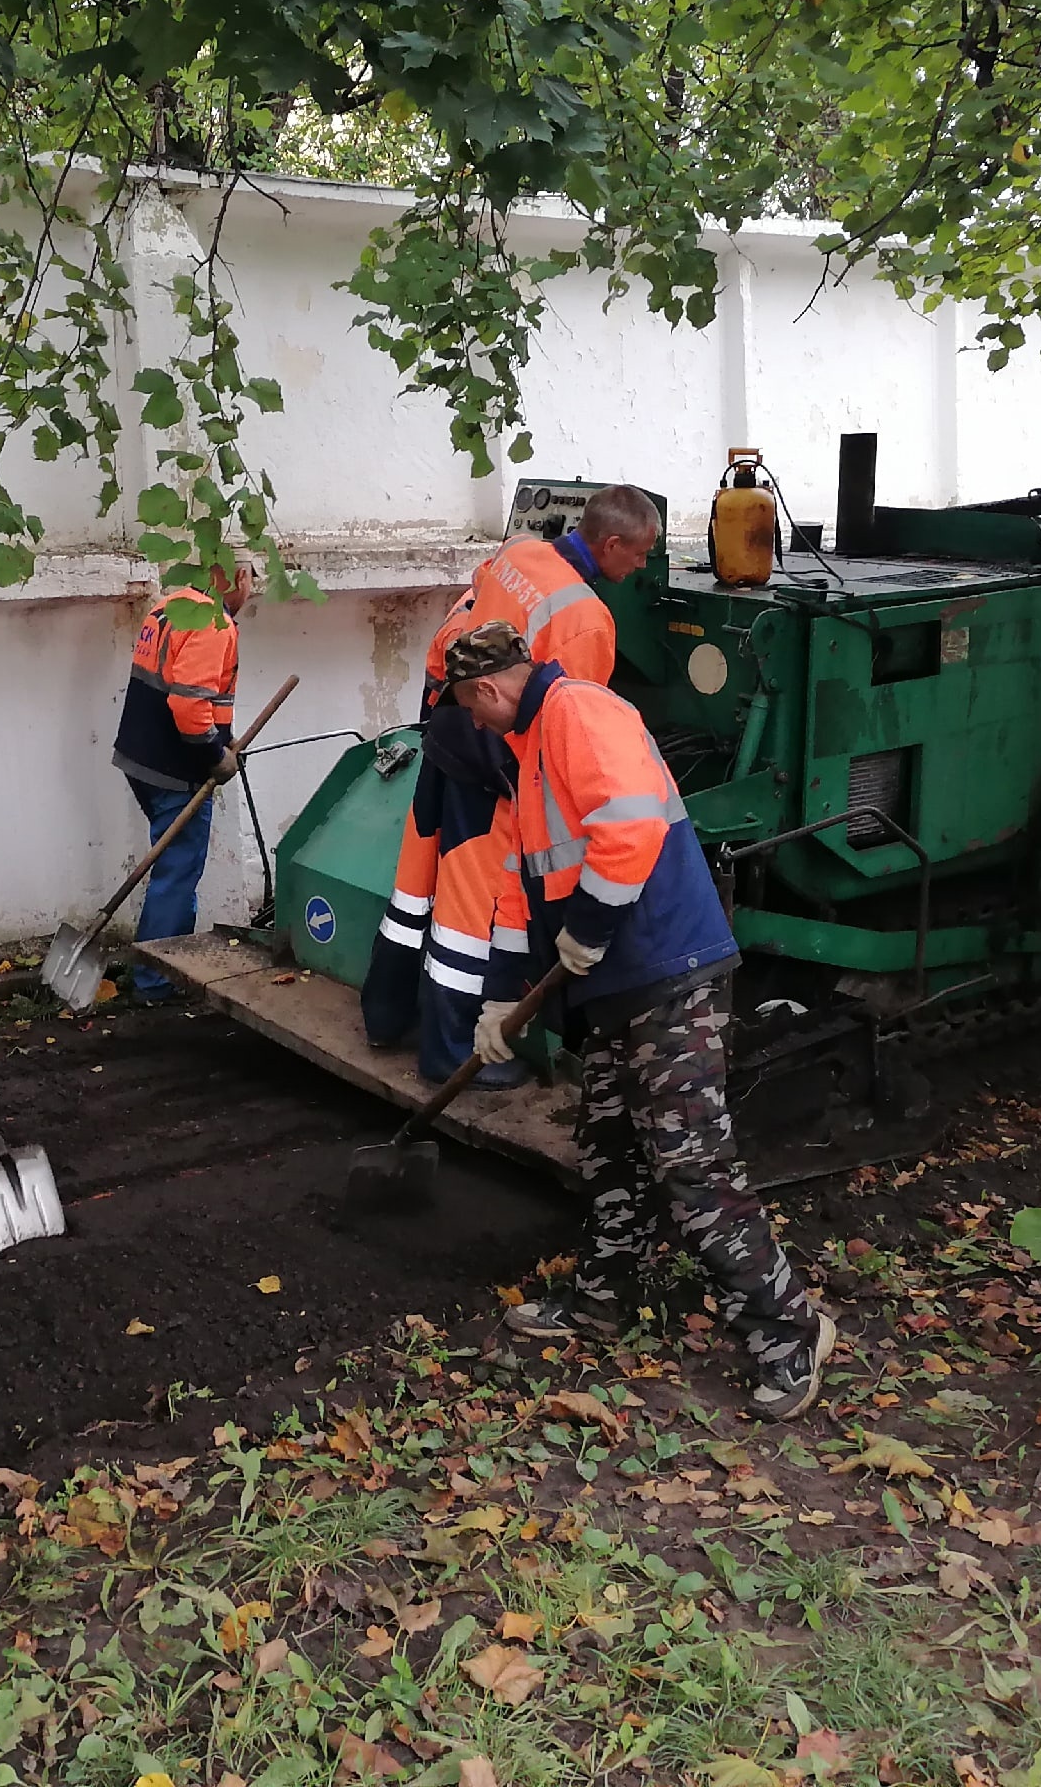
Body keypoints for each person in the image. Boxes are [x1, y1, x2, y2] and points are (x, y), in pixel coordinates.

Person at [442, 619, 835, 1419]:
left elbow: (629, 831)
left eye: (465, 708)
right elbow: (527, 888)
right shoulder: (528, 754)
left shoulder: (580, 714)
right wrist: (503, 998)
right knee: (610, 1148)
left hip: (668, 972)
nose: (470, 723)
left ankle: (790, 1329)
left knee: (690, 1165)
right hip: (617, 985)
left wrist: (586, 932)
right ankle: (601, 1300)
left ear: (485, 690)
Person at [364, 485, 665, 1086]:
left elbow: (451, 633)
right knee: (470, 921)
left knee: (412, 896)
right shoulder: (587, 621)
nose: (642, 566)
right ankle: (452, 1056)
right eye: (640, 554)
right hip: (494, 766)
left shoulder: (518, 554)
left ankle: (385, 1016)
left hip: (446, 732)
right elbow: (566, 728)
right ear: (610, 544)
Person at [111, 558, 250, 1002]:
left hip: (141, 759)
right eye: (253, 578)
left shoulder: (170, 606)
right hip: (177, 769)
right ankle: (156, 980)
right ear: (237, 577)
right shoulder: (214, 623)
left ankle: (173, 960)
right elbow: (189, 706)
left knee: (178, 867)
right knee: (177, 872)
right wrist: (215, 755)